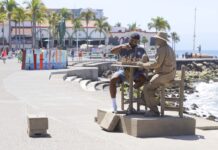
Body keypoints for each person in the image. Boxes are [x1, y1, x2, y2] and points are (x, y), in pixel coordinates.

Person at [136, 32, 176, 117]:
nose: (156, 40)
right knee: (146, 79)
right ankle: (145, 100)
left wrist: (143, 65)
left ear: (161, 40)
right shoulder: (169, 48)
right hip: (169, 74)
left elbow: (157, 64)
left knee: (147, 88)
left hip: (165, 75)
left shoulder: (162, 49)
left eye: (157, 39)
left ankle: (154, 110)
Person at [109, 33, 149, 112]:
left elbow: (146, 61)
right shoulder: (123, 47)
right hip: (123, 70)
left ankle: (131, 89)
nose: (134, 42)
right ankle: (114, 104)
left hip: (136, 72)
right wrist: (121, 46)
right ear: (129, 39)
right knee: (113, 80)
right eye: (132, 40)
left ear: (138, 41)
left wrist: (144, 63)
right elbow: (112, 51)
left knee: (144, 79)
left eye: (136, 40)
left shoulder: (141, 49)